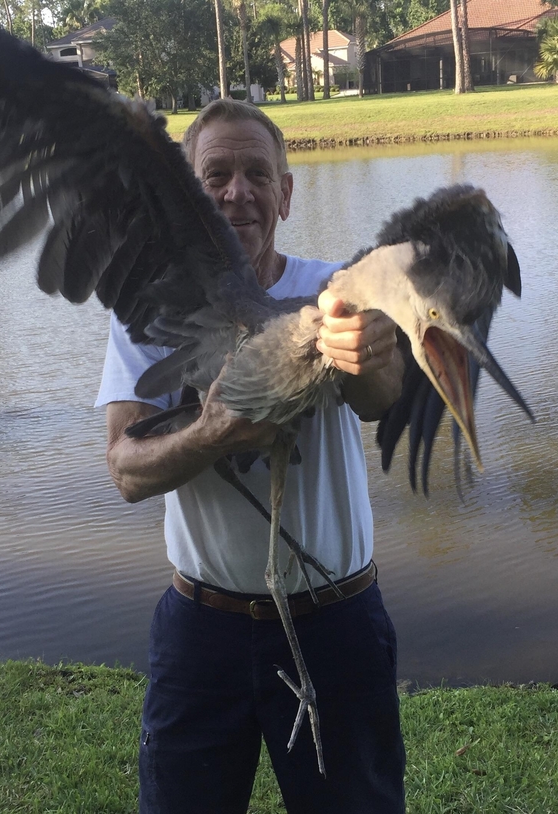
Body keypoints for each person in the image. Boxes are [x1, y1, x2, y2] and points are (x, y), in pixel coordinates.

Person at [95, 98, 407, 814]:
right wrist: (211, 435)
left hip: (336, 622)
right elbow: (123, 469)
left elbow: (380, 398)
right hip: (202, 629)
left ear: (286, 192)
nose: (237, 192)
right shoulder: (151, 307)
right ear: (194, 191)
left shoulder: (341, 291)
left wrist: (365, 350)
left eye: (256, 174)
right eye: (217, 174)